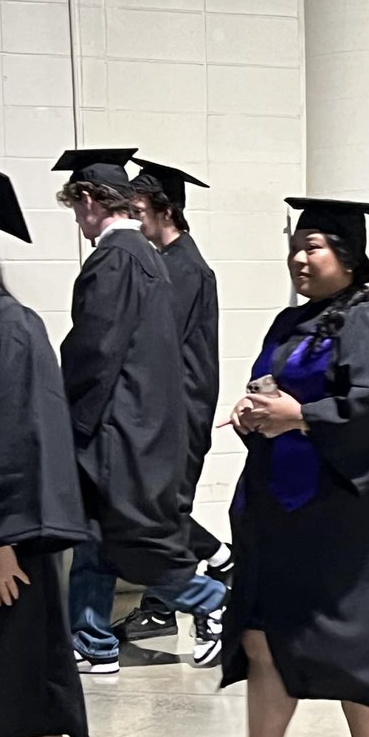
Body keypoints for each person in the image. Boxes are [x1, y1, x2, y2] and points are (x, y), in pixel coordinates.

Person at [196, 198, 369, 737]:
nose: (299, 257)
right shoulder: (290, 323)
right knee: (263, 638)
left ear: (347, 256)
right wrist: (253, 411)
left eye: (314, 246)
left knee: (357, 654)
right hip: (282, 514)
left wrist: (302, 417)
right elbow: (269, 390)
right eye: (296, 244)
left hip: (351, 521)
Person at [52, 149, 226, 675]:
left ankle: (209, 599)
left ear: (88, 200)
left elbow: (95, 349)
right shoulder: (150, 258)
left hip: (113, 426)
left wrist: (69, 418)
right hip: (136, 424)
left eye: (76, 210)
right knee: (98, 533)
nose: (79, 224)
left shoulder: (114, 258)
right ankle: (92, 639)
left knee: (123, 537)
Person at [0, 171, 125, 737]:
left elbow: (19, 439)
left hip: (6, 545)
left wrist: (2, 542)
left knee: (13, 690)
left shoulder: (10, 329)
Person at [113, 158, 233, 661]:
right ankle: (165, 604)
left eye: (138, 209)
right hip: (164, 408)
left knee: (160, 512)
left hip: (179, 412)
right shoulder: (162, 261)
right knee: (158, 510)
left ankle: (217, 584)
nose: (133, 219)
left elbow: (159, 347)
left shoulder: (184, 269)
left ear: (164, 211)